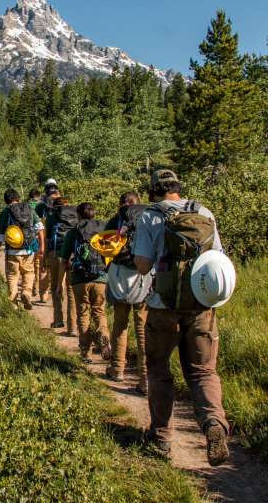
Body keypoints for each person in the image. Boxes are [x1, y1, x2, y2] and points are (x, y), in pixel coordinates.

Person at [133, 169, 229, 466]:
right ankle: (213, 423)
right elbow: (219, 259)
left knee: (159, 370)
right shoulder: (204, 212)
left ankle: (161, 438)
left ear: (153, 191)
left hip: (162, 307)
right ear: (177, 188)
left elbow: (142, 264)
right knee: (203, 372)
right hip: (201, 306)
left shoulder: (149, 217)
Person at [104, 191, 151, 395]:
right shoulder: (149, 217)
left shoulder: (115, 220)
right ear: (138, 203)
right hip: (143, 276)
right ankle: (145, 379)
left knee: (120, 325)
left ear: (120, 204)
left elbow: (104, 247)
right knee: (142, 330)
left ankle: (117, 369)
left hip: (120, 276)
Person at [58, 202, 111, 362]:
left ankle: (85, 353)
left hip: (79, 279)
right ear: (94, 214)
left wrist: (59, 283)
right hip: (100, 278)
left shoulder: (73, 233)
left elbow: (64, 260)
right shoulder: (104, 229)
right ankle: (103, 334)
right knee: (99, 312)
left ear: (78, 215)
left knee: (83, 314)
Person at [0, 188, 45, 310]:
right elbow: (40, 227)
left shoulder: (5, 212)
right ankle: (26, 293)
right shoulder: (29, 208)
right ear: (18, 198)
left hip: (12, 251)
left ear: (6, 201)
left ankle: (13, 304)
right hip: (28, 249)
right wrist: (42, 245)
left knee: (12, 276)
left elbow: (0, 236)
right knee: (28, 272)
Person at [46, 197, 78, 333]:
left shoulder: (52, 217)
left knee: (54, 288)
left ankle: (58, 320)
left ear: (55, 206)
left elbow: (48, 238)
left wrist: (44, 258)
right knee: (70, 290)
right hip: (72, 256)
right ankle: (72, 327)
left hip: (55, 254)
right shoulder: (77, 215)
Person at [35, 180, 60, 302]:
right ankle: (60, 294)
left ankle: (43, 296)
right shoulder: (63, 202)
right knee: (60, 272)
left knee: (44, 268)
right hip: (62, 243)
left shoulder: (41, 205)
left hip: (45, 238)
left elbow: (37, 219)